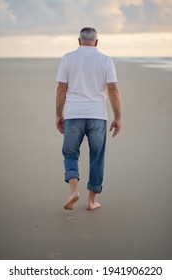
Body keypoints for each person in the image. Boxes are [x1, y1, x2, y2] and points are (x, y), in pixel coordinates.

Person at [56, 27, 121, 211]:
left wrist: (58, 114)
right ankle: (91, 201)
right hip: (97, 116)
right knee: (97, 157)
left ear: (79, 41)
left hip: (74, 114)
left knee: (70, 153)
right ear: (97, 42)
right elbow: (113, 90)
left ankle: (74, 190)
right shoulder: (105, 60)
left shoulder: (68, 58)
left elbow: (61, 89)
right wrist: (118, 117)